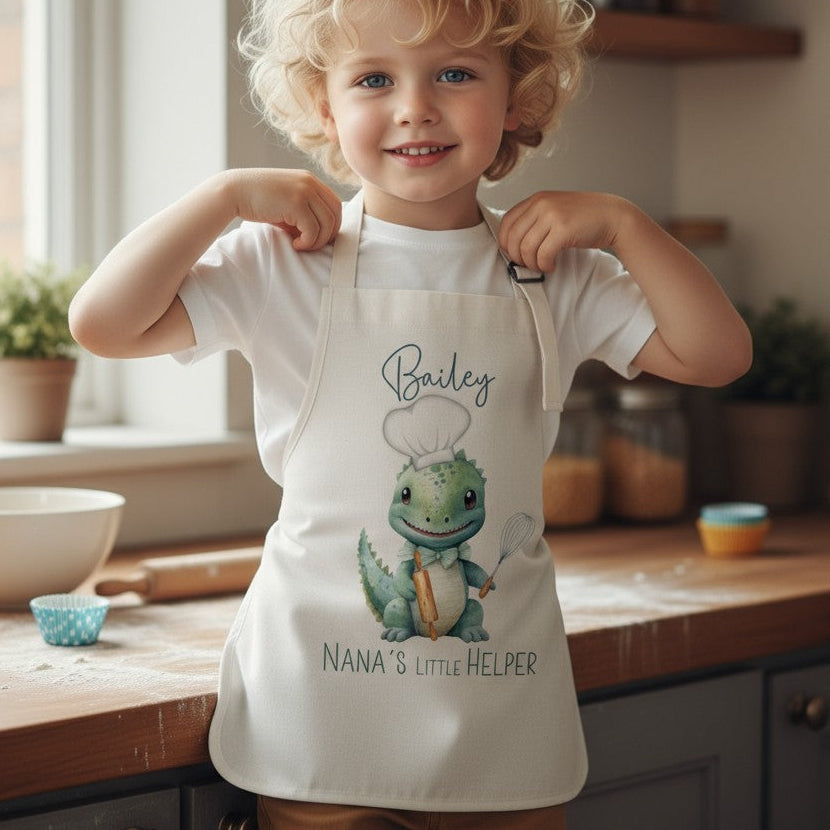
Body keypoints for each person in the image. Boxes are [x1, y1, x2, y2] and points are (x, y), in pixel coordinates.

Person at [69, 0, 752, 827]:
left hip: (500, 721)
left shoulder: (557, 273)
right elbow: (103, 325)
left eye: (456, 73)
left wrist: (624, 225)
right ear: (326, 107)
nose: (414, 106)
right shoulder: (284, 263)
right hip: (316, 707)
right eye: (373, 78)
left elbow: (719, 356)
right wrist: (219, 199)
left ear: (519, 100)